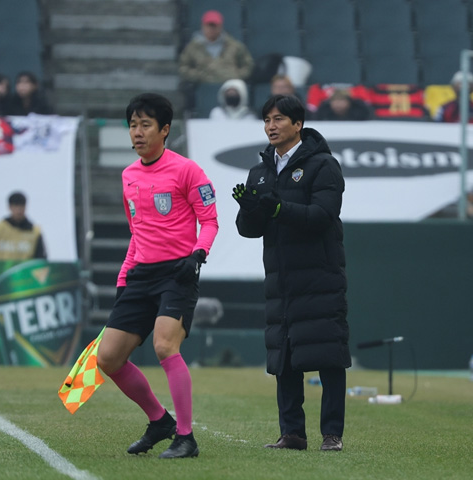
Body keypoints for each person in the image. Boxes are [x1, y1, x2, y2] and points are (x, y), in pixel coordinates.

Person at [96, 93, 218, 459]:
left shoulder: (187, 170)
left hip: (177, 274)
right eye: (133, 125)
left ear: (164, 130)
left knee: (165, 346)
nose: (137, 132)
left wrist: (198, 254)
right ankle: (159, 420)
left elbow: (210, 221)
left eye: (145, 125)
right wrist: (123, 280)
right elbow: (137, 234)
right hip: (140, 276)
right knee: (108, 359)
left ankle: (186, 437)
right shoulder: (128, 175)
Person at [233, 94, 351, 452]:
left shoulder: (323, 165)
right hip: (280, 280)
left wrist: (279, 208)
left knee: (328, 353)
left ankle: (332, 434)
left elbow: (322, 216)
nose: (271, 126)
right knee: (283, 356)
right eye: (267, 120)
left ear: (298, 124)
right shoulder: (260, 171)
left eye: (279, 119)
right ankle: (293, 434)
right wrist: (250, 210)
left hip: (320, 276)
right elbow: (248, 230)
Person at [178, 10, 254, 85]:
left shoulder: (234, 45)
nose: (211, 29)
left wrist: (236, 75)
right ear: (202, 26)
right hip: (203, 86)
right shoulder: (193, 47)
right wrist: (198, 75)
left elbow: (248, 64)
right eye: (208, 25)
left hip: (229, 86)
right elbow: (183, 67)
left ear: (221, 26)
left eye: (214, 26)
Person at [0, 191, 47, 260]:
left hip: (25, 267)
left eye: (21, 206)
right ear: (10, 207)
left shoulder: (34, 232)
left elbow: (41, 259)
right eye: (16, 206)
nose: (19, 210)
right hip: (3, 267)